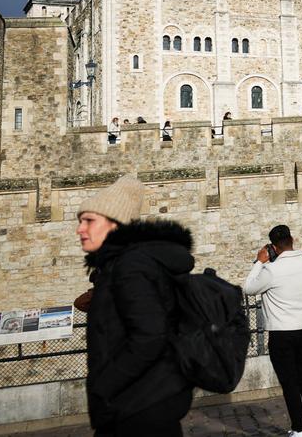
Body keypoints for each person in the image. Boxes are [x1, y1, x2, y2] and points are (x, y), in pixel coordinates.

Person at [76, 175, 193, 436]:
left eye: (89, 221)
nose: (80, 229)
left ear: (115, 224)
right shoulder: (117, 266)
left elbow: (151, 336)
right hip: (135, 406)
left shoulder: (130, 267)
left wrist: (106, 384)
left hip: (138, 409)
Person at [243, 225, 302, 437]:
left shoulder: (271, 270)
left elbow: (248, 288)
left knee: (289, 383)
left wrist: (260, 262)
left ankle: (299, 429)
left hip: (281, 334)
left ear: (273, 247)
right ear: (292, 239)